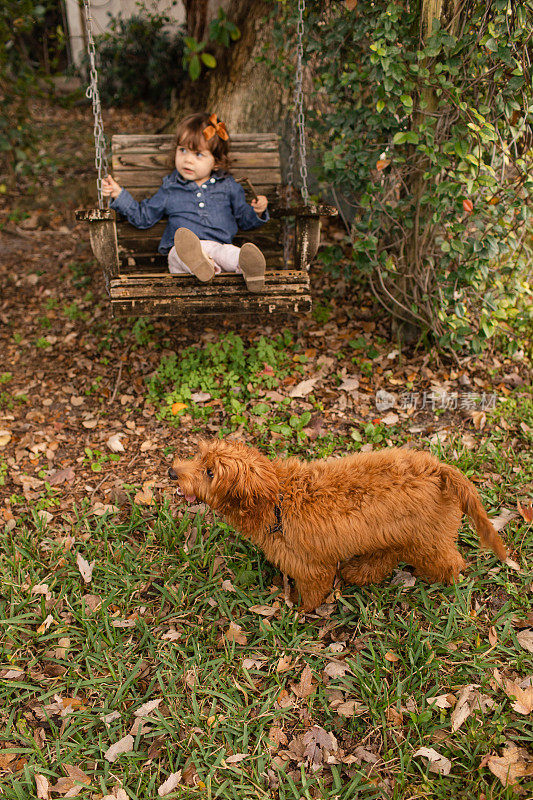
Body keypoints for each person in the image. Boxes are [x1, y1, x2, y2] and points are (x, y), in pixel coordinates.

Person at [101, 112, 269, 292]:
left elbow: (245, 219)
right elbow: (144, 217)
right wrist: (119, 195)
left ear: (216, 163)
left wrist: (257, 211)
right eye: (182, 150)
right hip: (181, 253)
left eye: (198, 154)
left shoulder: (228, 187)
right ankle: (202, 266)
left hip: (217, 247)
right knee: (178, 254)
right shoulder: (171, 188)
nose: (188, 159)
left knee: (230, 252)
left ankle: (249, 270)